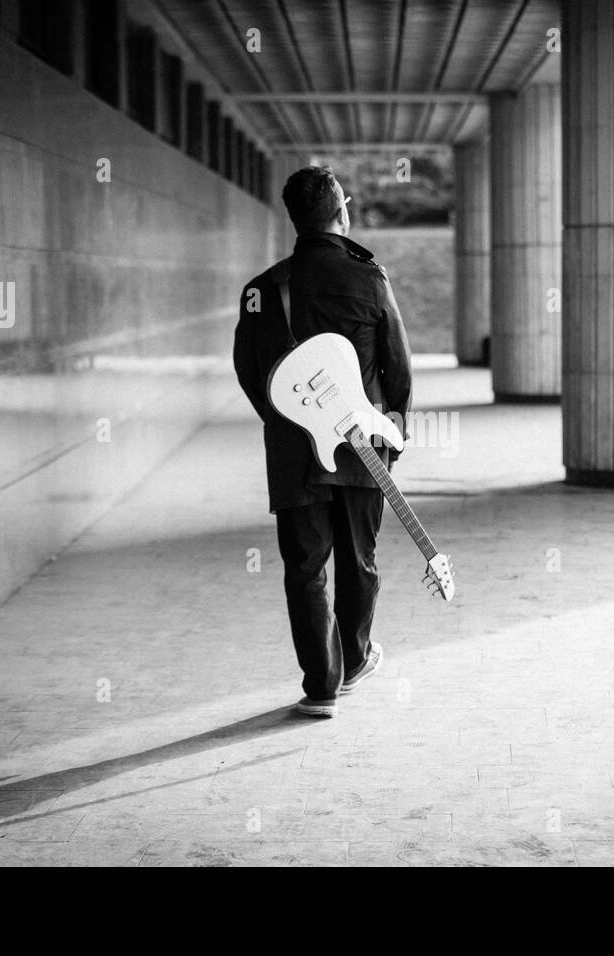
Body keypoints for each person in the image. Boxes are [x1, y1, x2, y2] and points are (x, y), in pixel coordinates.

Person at [233, 166, 413, 718]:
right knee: (359, 557)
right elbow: (398, 366)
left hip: (293, 452)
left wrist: (283, 420)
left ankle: (321, 688)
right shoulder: (370, 279)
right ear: (344, 209)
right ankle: (354, 660)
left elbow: (248, 368)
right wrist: (395, 428)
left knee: (305, 567)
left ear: (293, 218)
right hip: (361, 443)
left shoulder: (263, 290)